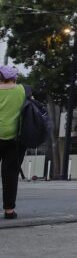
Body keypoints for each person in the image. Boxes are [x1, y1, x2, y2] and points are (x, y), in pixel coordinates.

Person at [0, 65, 26, 219]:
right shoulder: (22, 90)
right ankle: (9, 210)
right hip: (15, 138)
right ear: (15, 77)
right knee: (10, 174)